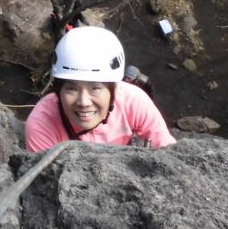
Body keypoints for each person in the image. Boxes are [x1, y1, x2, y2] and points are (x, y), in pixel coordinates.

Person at [25, 26, 177, 153]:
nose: (83, 102)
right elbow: (44, 182)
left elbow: (167, 150)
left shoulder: (132, 101)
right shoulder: (42, 123)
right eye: (71, 88)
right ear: (58, 91)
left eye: (95, 88)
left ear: (114, 89)